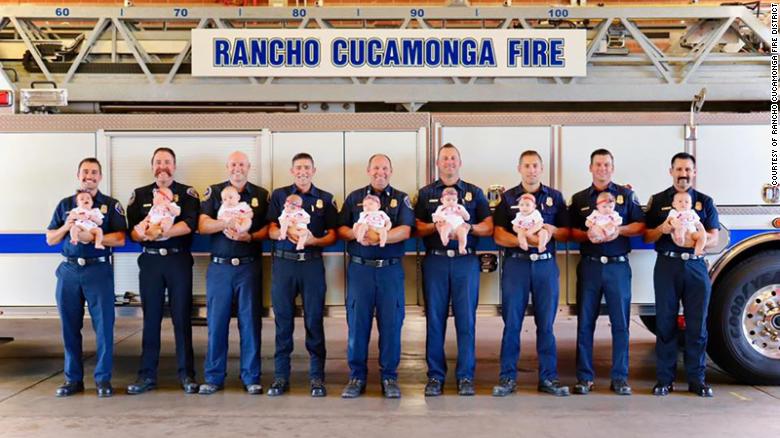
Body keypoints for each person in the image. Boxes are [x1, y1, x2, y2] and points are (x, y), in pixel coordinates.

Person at [415, 143, 493, 396]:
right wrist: (435, 224)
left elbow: (488, 226)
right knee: (435, 320)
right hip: (435, 260)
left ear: (460, 162)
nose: (449, 162)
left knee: (466, 320)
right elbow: (417, 227)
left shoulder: (474, 192)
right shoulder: (425, 194)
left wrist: (468, 228)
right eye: (445, 158)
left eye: (453, 158)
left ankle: (465, 377)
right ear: (438, 163)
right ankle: (435, 377)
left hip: (465, 262)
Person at [491, 150, 571, 397]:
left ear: (542, 168)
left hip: (545, 266)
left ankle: (548, 378)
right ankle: (507, 379)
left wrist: (549, 229)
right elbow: (498, 234)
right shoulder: (507, 199)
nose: (531, 170)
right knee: (512, 324)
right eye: (526, 165)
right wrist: (522, 240)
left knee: (546, 325)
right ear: (519, 169)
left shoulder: (555, 198)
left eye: (535, 165)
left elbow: (566, 233)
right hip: (517, 265)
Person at [45, 157, 127, 398]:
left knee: (104, 328)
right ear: (78, 175)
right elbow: (50, 238)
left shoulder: (110, 206)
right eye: (85, 172)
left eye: (93, 172)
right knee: (69, 327)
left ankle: (103, 380)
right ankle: (73, 380)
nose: (89, 176)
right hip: (69, 271)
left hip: (98, 271)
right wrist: (66, 226)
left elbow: (121, 239)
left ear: (100, 177)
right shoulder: (65, 205)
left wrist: (90, 238)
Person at [568, 148, 645, 396]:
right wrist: (586, 234)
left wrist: (619, 231)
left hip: (617, 267)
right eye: (598, 164)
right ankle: (584, 378)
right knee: (585, 323)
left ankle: (620, 378)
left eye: (606, 164)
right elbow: (569, 231)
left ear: (612, 168)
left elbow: (641, 225)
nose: (602, 168)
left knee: (621, 324)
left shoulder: (625, 195)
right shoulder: (579, 199)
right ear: (590, 168)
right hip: (590, 265)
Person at [337, 154, 414, 399]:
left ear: (391, 171)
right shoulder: (354, 198)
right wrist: (357, 234)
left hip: (390, 270)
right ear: (368, 170)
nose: (380, 172)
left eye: (385, 168)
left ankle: (389, 377)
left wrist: (379, 237)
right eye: (376, 168)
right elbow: (341, 228)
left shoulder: (401, 199)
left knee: (391, 324)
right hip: (360, 269)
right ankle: (356, 377)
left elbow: (405, 230)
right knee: (358, 324)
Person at [125, 147, 201, 395]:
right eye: (158, 162)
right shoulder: (139, 195)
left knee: (182, 319)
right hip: (151, 263)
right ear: (152, 166)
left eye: (167, 162)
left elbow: (190, 224)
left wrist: (162, 231)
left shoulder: (187, 194)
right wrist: (143, 232)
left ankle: (187, 375)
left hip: (178, 262)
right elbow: (132, 232)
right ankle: (146, 376)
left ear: (174, 166)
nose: (162, 166)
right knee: (151, 320)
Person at [644, 152, 720, 397]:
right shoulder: (657, 201)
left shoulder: (704, 202)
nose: (683, 174)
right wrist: (662, 228)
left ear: (694, 173)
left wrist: (696, 241)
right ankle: (665, 380)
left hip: (696, 266)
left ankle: (697, 380)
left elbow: (714, 236)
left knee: (697, 326)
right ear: (671, 171)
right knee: (665, 323)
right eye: (679, 169)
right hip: (667, 267)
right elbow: (646, 236)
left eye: (688, 170)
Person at [266, 153, 338, 397]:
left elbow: (333, 234)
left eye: (307, 167)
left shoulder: (325, 199)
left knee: (314, 322)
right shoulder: (278, 196)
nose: (303, 171)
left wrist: (314, 240)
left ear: (314, 170)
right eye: (298, 167)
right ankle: (280, 377)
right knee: (282, 323)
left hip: (311, 265)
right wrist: (283, 235)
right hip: (284, 265)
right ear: (292, 170)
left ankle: (317, 378)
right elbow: (270, 228)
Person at [197, 151, 269, 395]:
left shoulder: (260, 195)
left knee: (250, 324)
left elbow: (267, 229)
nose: (238, 168)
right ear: (227, 167)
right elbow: (203, 224)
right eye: (233, 164)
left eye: (242, 164)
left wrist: (249, 235)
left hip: (249, 267)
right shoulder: (214, 192)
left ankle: (251, 377)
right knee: (216, 323)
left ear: (249, 167)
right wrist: (225, 223)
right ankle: (214, 377)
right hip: (220, 268)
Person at [431, 187, 471, 255]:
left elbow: (467, 218)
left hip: (458, 226)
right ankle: (444, 239)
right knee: (445, 227)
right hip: (446, 224)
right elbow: (434, 217)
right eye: (448, 200)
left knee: (463, 232)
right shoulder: (440, 208)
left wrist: (462, 213)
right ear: (442, 200)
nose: (451, 202)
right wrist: (439, 219)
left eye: (454, 200)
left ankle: (462, 247)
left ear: (457, 200)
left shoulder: (460, 207)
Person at [667, 191, 707, 256]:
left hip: (692, 233)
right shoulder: (673, 212)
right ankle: (680, 239)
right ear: (674, 204)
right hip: (679, 230)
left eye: (687, 202)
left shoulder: (692, 212)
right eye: (680, 201)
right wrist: (675, 223)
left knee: (702, 236)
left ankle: (698, 250)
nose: (683, 204)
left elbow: (698, 223)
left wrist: (702, 231)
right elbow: (671, 220)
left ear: (691, 205)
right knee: (681, 227)